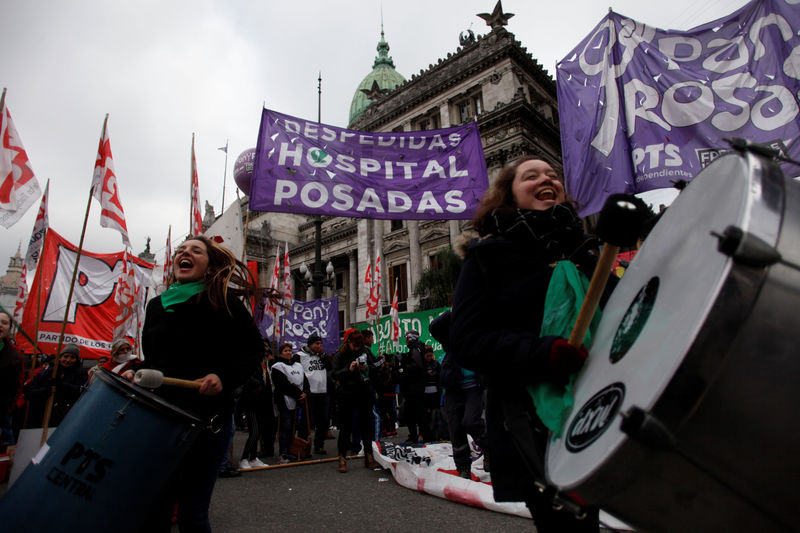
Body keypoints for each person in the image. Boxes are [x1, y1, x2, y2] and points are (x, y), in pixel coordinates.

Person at [448, 157, 603, 532]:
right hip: (531, 416)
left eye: (552, 174)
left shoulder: (586, 250)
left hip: (600, 398)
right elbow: (466, 340)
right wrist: (542, 353)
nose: (546, 179)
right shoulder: (487, 256)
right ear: (509, 196)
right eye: (531, 176)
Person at [123, 235, 269, 533]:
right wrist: (135, 371)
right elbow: (156, 360)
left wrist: (223, 377)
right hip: (161, 418)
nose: (184, 254)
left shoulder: (224, 300)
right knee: (156, 508)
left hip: (206, 420)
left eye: (195, 251)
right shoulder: (156, 305)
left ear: (209, 264)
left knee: (192, 513)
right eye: (180, 250)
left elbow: (254, 349)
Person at [332, 329, 380, 473]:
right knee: (346, 427)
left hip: (364, 392)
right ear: (349, 343)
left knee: (366, 426)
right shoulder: (340, 354)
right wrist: (349, 369)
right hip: (347, 394)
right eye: (355, 346)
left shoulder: (365, 351)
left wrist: (367, 368)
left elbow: (376, 366)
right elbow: (334, 374)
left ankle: (369, 455)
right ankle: (342, 457)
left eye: (360, 346)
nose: (357, 349)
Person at [24, 343, 88, 427]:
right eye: (66, 356)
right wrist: (45, 391)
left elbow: (80, 391)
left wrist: (60, 385)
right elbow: (29, 391)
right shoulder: (48, 372)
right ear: (60, 357)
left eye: (72, 357)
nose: (68, 360)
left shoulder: (80, 373)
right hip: (41, 416)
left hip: (65, 416)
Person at [271, 342, 308, 464]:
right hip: (284, 399)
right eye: (285, 351)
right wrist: (298, 394)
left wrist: (305, 392)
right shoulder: (277, 366)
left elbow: (305, 380)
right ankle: (283, 453)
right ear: (281, 353)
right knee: (285, 426)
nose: (288, 353)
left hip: (297, 399)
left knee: (292, 426)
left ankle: (290, 450)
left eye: (290, 351)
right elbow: (283, 384)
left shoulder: (298, 365)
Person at [297, 332, 332, 455]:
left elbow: (329, 367)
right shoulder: (300, 356)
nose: (319, 346)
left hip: (322, 392)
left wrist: (322, 355)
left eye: (320, 343)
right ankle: (302, 445)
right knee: (307, 421)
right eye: (317, 343)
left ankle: (319, 444)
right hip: (310, 393)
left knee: (323, 420)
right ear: (310, 344)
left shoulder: (321, 356)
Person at [397, 330, 431, 444]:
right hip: (417, 387)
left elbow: (416, 366)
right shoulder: (418, 348)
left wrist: (403, 363)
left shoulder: (415, 349)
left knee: (412, 414)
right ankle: (422, 436)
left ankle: (417, 437)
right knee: (418, 413)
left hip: (414, 388)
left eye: (407, 338)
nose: (405, 340)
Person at [0, 310, 23, 450]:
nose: (0, 325)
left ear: (9, 328)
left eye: (4, 323)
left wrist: (7, 411)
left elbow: (16, 388)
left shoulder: (14, 357)